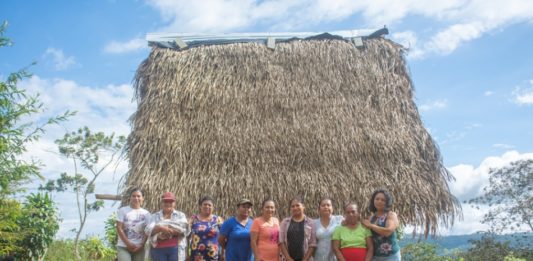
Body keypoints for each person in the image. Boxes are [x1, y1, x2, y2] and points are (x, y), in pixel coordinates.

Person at [145, 192, 189, 261]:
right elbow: (148, 230)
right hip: (158, 250)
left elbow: (184, 230)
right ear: (161, 203)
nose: (168, 203)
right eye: (165, 201)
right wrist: (161, 228)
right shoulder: (154, 216)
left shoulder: (181, 215)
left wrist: (167, 230)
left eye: (171, 201)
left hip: (175, 249)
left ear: (174, 203)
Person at [361, 189, 401, 261]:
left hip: (391, 256)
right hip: (375, 256)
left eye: (383, 200)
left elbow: (388, 232)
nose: (379, 201)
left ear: (387, 202)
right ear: (373, 200)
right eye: (377, 199)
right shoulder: (371, 217)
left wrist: (371, 226)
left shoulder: (390, 215)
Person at [116, 188, 151, 261]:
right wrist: (128, 243)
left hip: (139, 248)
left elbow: (147, 230)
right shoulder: (122, 211)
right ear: (130, 197)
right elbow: (119, 228)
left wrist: (142, 245)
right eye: (133, 196)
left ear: (142, 198)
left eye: (138, 196)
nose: (136, 198)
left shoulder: (146, 214)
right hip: (123, 246)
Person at [279, 197, 317, 261]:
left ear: (303, 206)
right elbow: (281, 241)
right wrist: (288, 258)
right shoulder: (285, 222)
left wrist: (305, 259)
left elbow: (312, 244)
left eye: (297, 205)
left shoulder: (310, 223)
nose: (295, 208)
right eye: (292, 206)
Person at [188, 196, 224, 260]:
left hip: (213, 255)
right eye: (205, 204)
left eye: (209, 205)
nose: (207, 206)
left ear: (213, 207)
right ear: (200, 206)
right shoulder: (193, 219)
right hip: (197, 254)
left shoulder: (218, 220)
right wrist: (187, 253)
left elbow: (224, 237)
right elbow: (186, 235)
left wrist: (223, 253)